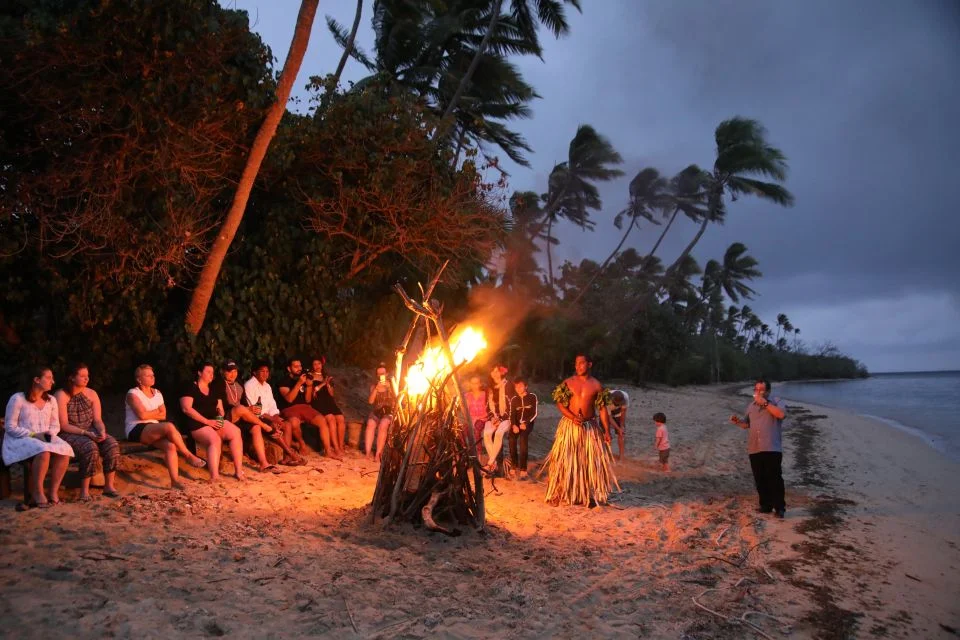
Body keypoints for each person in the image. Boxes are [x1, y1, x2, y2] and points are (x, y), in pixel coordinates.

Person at [541, 354, 618, 507]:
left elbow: (602, 409)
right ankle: (556, 493)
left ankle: (587, 495)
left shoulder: (596, 385)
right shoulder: (568, 382)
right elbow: (560, 403)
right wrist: (572, 416)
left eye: (581, 363)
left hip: (589, 427)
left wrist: (607, 431)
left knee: (589, 463)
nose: (578, 366)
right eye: (576, 363)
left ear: (589, 364)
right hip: (570, 426)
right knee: (563, 461)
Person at [124, 364, 206, 490]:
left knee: (170, 446)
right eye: (148, 375)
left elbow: (163, 415)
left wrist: (150, 413)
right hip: (136, 428)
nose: (152, 377)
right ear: (139, 379)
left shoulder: (157, 393)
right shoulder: (133, 393)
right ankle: (188, 455)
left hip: (154, 428)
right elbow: (141, 415)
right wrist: (155, 412)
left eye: (153, 375)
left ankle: (175, 481)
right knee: (169, 426)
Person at [3, 366, 74, 508]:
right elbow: (10, 427)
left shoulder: (51, 400)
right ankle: (38, 492)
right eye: (48, 378)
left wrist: (49, 435)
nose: (52, 381)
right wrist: (34, 435)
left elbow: (55, 425)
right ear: (36, 380)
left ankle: (53, 492)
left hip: (44, 437)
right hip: (21, 438)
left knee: (65, 450)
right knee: (43, 450)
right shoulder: (18, 399)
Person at [54, 363, 120, 500]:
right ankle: (84, 491)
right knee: (90, 447)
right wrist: (86, 433)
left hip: (90, 430)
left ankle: (109, 485)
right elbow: (64, 425)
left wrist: (101, 430)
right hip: (70, 432)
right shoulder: (61, 395)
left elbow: (97, 420)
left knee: (112, 444)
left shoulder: (92, 393)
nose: (86, 379)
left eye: (87, 376)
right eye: (82, 376)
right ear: (72, 377)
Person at [212, 360, 284, 474]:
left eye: (235, 371)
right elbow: (221, 406)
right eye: (229, 371)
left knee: (255, 427)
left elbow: (244, 403)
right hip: (225, 416)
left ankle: (264, 464)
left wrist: (250, 409)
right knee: (241, 409)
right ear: (223, 372)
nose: (232, 374)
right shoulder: (219, 383)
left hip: (240, 416)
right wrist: (245, 409)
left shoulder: (239, 384)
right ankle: (266, 427)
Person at [179, 361, 246, 482]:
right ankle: (214, 476)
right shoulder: (190, 387)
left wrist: (220, 415)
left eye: (212, 372)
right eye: (208, 372)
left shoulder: (213, 389)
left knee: (236, 431)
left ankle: (238, 471)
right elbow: (186, 409)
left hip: (213, 421)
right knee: (214, 439)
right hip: (198, 423)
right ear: (199, 373)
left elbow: (220, 408)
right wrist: (207, 421)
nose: (211, 375)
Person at [730, 379, 787, 518]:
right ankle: (765, 505)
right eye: (756, 389)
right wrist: (737, 422)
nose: (758, 392)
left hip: (771, 447)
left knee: (774, 478)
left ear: (768, 391)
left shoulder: (777, 401)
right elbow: (747, 424)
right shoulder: (751, 406)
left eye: (762, 389)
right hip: (754, 447)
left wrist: (765, 404)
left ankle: (779, 508)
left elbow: (781, 414)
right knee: (759, 478)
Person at [243, 360, 305, 466]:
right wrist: (273, 419)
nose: (265, 374)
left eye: (267, 371)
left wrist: (276, 416)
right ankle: (292, 454)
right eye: (262, 371)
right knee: (273, 425)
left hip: (269, 417)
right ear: (255, 372)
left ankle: (286, 458)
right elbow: (256, 410)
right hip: (257, 417)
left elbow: (272, 405)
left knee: (287, 425)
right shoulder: (249, 385)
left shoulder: (267, 386)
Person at [277, 358, 338, 459]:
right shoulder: (284, 381)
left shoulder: (303, 378)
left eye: (300, 366)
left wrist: (309, 386)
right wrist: (299, 384)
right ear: (289, 368)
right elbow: (289, 399)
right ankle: (301, 444)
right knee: (294, 422)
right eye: (296, 366)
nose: (299, 368)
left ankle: (328, 451)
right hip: (290, 408)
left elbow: (308, 400)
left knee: (322, 420)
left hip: (304, 407)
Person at [308, 357, 345, 457]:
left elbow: (332, 394)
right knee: (331, 418)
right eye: (315, 364)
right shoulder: (310, 376)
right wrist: (323, 383)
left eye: (319, 364)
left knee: (340, 418)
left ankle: (341, 446)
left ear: (322, 365)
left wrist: (328, 385)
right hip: (318, 402)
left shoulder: (326, 376)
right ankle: (336, 448)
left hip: (329, 401)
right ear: (312, 366)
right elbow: (313, 391)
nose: (317, 366)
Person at [482, 364, 514, 473]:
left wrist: (500, 419)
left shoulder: (508, 385)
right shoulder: (489, 387)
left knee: (499, 433)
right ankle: (494, 462)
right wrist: (492, 418)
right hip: (493, 417)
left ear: (502, 373)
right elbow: (487, 405)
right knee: (486, 434)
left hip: (506, 416)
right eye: (493, 371)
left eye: (497, 371)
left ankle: (490, 463)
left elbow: (511, 404)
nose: (495, 374)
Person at [365, 363, 396, 462]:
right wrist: (376, 389)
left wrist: (389, 388)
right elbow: (370, 401)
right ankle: (367, 453)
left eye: (383, 373)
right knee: (370, 424)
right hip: (377, 411)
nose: (381, 376)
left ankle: (378, 454)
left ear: (387, 374)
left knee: (383, 425)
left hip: (388, 412)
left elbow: (397, 399)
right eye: (379, 374)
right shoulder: (374, 386)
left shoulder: (392, 384)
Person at [508, 378, 537, 481]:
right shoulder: (514, 399)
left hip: (528, 424)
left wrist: (526, 423)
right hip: (516, 424)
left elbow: (534, 413)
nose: (518, 388)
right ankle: (514, 465)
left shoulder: (532, 396)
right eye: (516, 387)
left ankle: (523, 469)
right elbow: (512, 414)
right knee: (511, 439)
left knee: (523, 440)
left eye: (520, 386)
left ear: (526, 386)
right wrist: (514, 425)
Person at [464, 375, 488, 458]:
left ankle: (479, 454)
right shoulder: (467, 395)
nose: (474, 385)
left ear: (480, 384)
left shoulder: (485, 394)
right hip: (471, 419)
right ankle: (467, 453)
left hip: (483, 419)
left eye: (476, 383)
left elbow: (489, 409)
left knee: (476, 430)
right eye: (472, 383)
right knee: (462, 430)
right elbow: (465, 410)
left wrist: (478, 418)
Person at [609, 389, 630, 460]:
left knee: (621, 434)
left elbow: (623, 412)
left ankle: (621, 456)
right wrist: (618, 428)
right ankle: (607, 454)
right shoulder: (606, 399)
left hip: (618, 413)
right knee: (606, 434)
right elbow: (609, 417)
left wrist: (621, 426)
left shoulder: (625, 397)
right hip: (606, 413)